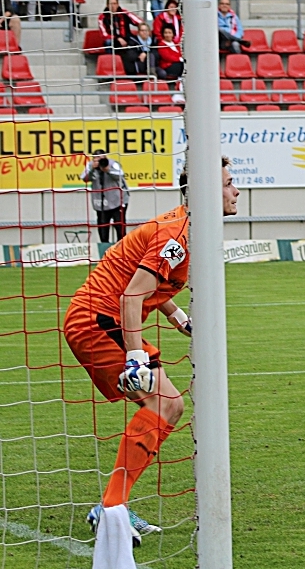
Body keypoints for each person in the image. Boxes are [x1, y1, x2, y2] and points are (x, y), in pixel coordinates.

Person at [72, 158, 237, 544]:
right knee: (165, 403)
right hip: (99, 318)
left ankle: (115, 504)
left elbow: (145, 283)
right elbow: (132, 296)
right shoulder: (176, 234)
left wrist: (178, 316)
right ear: (207, 191)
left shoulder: (185, 227)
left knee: (170, 406)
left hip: (105, 317)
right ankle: (111, 508)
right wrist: (135, 358)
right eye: (229, 183)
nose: (236, 191)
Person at [82, 152, 130, 243]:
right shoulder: (91, 165)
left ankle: (122, 250)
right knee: (103, 230)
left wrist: (107, 170)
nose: (99, 162)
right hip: (101, 204)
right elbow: (84, 178)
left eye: (101, 159)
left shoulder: (113, 164)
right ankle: (105, 251)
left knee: (120, 229)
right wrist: (92, 169)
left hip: (118, 202)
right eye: (96, 159)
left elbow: (120, 175)